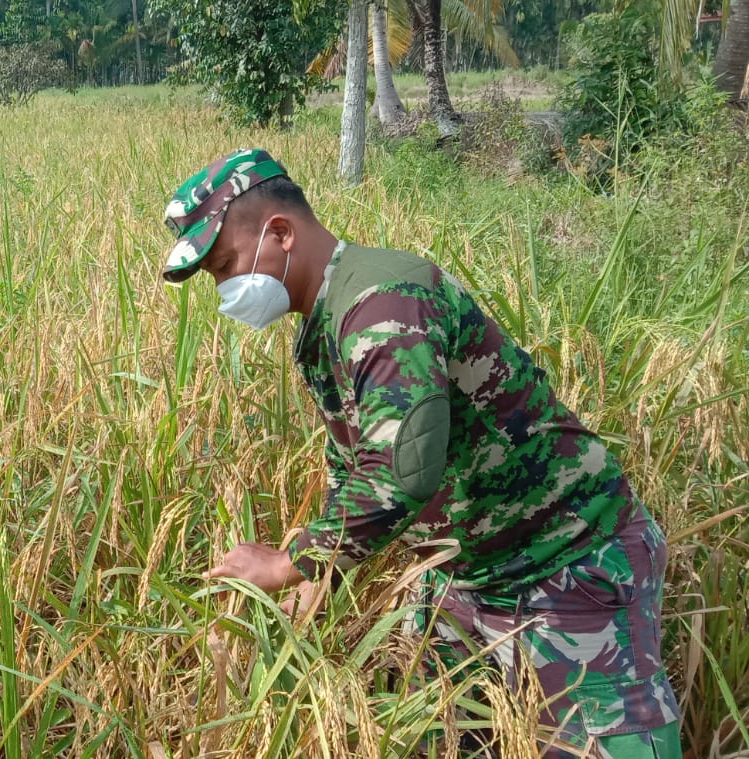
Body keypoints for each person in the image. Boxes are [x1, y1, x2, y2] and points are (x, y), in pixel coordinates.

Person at [161, 148, 682, 758]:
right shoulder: (325, 319)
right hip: (464, 571)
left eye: (224, 266)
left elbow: (402, 469)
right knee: (431, 734)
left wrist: (291, 561)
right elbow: (354, 458)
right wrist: (326, 569)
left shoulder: (384, 302)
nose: (225, 289)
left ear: (279, 232)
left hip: (563, 563)